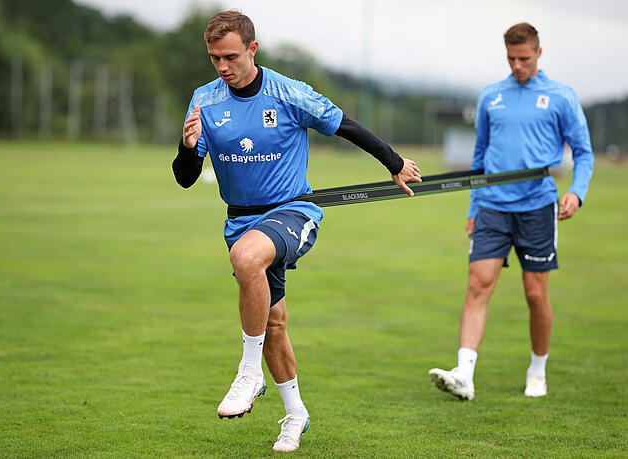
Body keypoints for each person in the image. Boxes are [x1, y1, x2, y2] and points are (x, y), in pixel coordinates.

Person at [172, 11, 421, 453]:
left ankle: (249, 375)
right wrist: (188, 147)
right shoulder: (205, 101)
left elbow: (345, 124)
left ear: (252, 49)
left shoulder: (289, 93)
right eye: (214, 59)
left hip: (293, 211)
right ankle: (296, 414)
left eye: (230, 56)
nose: (222, 67)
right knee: (272, 323)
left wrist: (394, 162)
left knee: (247, 257)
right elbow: (186, 177)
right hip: (240, 220)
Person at [428, 22, 594, 400]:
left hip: (538, 207)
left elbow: (583, 153)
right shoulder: (491, 96)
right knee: (477, 285)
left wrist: (577, 193)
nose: (517, 65)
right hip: (491, 208)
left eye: (524, 58)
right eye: (511, 58)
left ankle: (537, 370)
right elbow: (480, 156)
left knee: (535, 295)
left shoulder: (561, 96)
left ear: (538, 53)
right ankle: (464, 375)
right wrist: (473, 205)